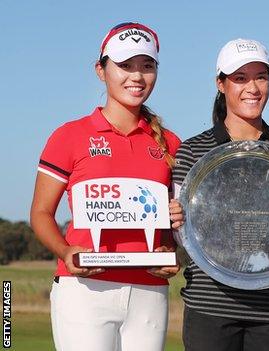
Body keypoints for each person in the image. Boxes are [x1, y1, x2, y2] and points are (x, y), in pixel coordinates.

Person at [30, 22, 183, 351]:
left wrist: (172, 251)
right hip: (84, 289)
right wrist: (66, 251)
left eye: (147, 66)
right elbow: (41, 213)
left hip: (149, 291)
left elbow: (175, 225)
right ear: (101, 70)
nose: (137, 77)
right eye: (125, 66)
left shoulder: (171, 143)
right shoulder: (69, 136)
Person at [173, 38, 269, 351]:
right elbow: (185, 236)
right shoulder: (192, 152)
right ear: (220, 84)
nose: (252, 87)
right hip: (209, 307)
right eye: (240, 78)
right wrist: (173, 220)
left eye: (261, 77)